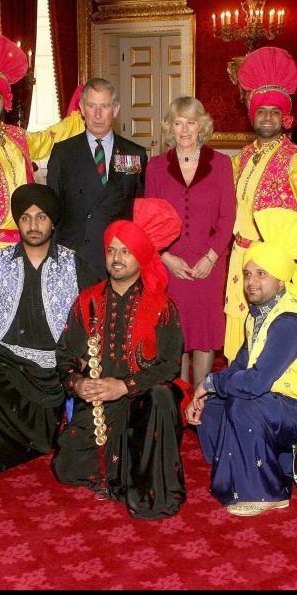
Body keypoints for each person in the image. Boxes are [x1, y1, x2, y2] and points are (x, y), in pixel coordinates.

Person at [188, 207, 297, 517]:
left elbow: (256, 382)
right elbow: (239, 367)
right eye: (247, 273)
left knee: (246, 404)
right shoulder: (256, 316)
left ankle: (269, 490)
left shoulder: (288, 321)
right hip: (281, 401)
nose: (251, 281)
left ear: (282, 282)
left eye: (261, 273)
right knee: (216, 407)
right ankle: (238, 471)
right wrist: (205, 393)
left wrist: (210, 381)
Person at [0, 184, 98, 498]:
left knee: (47, 442)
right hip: (6, 357)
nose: (33, 225)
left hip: (57, 364)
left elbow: (99, 309)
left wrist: (85, 352)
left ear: (52, 222)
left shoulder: (74, 264)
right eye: (26, 218)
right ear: (18, 223)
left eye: (41, 217)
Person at [0, 32, 84, 365]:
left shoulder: (17, 137)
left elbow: (51, 138)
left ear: (6, 100)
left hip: (22, 248)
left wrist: (79, 114)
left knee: (17, 327)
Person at [52, 199, 186, 519]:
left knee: (162, 396)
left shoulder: (161, 304)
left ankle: (153, 492)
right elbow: (63, 357)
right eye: (112, 250)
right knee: (66, 468)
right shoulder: (88, 300)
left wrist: (125, 386)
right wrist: (79, 383)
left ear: (140, 256)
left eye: (126, 251)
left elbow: (170, 365)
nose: (117, 258)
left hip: (143, 402)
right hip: (99, 401)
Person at [225, 46, 297, 361]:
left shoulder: (293, 156)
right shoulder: (242, 157)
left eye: (274, 112)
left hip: (270, 260)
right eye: (261, 111)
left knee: (269, 333)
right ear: (253, 115)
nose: (267, 117)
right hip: (239, 257)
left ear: (284, 117)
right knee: (238, 325)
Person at [144, 96, 234, 389]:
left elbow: (227, 217)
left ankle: (200, 399)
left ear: (201, 126)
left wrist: (210, 258)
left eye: (191, 123)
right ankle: (177, 401)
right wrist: (167, 257)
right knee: (176, 334)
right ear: (170, 127)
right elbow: (150, 218)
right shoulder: (156, 167)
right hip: (170, 264)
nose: (184, 130)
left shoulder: (221, 164)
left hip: (209, 264)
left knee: (205, 335)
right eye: (178, 123)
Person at [46, 78, 148, 278]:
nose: (98, 114)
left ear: (116, 109)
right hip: (74, 258)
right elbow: (53, 210)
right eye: (92, 106)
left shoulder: (133, 154)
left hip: (118, 258)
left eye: (105, 106)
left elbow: (139, 208)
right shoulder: (63, 153)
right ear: (82, 109)